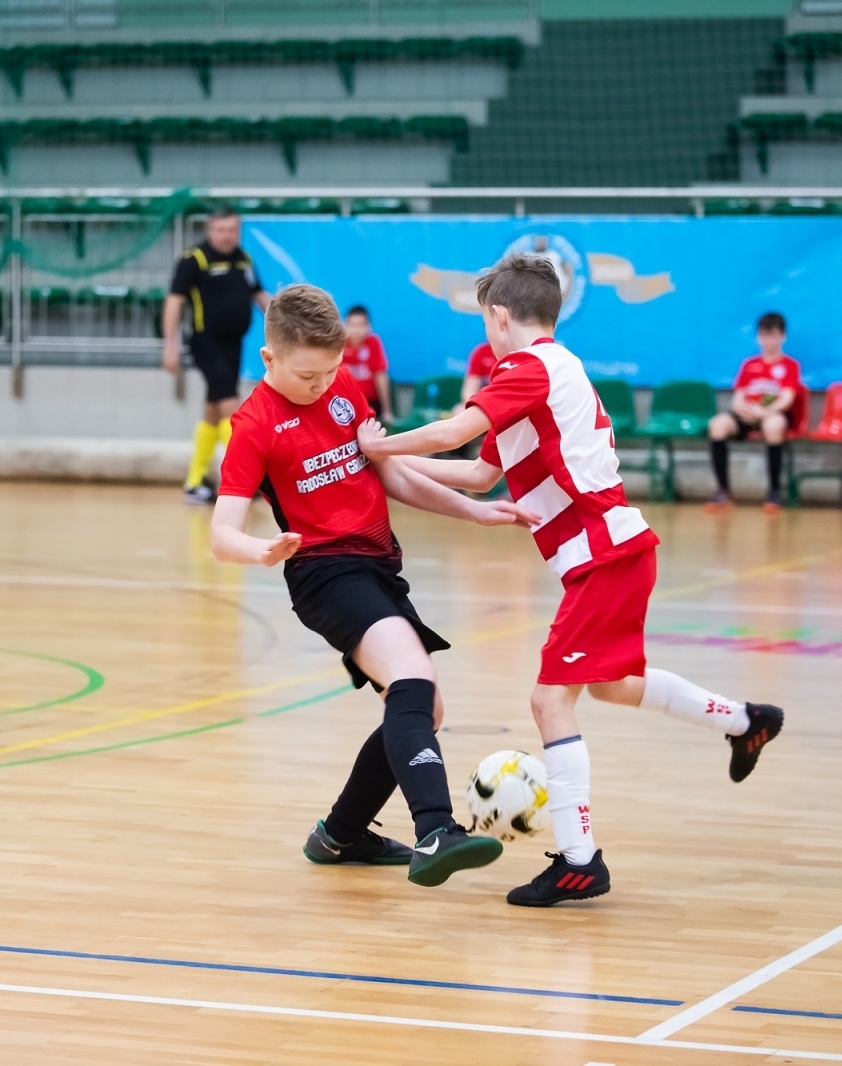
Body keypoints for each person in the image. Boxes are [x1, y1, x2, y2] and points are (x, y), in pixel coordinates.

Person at [357, 253, 784, 907]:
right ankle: (745, 721)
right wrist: (382, 474)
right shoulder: (553, 374)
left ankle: (580, 861)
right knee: (612, 686)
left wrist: (377, 447)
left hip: (602, 558)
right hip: (615, 554)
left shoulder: (526, 370)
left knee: (549, 701)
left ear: (499, 319)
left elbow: (454, 433)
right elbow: (477, 473)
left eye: (484, 324)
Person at [211, 283, 532, 887]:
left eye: (331, 371)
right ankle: (435, 830)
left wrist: (475, 509)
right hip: (323, 572)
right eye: (308, 375)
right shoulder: (253, 426)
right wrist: (263, 550)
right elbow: (221, 533)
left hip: (376, 565)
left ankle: (341, 834)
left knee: (422, 708)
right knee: (413, 681)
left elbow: (388, 474)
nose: (322, 384)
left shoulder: (339, 388)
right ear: (269, 358)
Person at [162, 207, 272, 505]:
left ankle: (194, 483)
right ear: (210, 230)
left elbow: (259, 294)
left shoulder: (243, 259)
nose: (227, 236)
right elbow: (174, 302)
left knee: (213, 410)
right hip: (206, 344)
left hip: (233, 344)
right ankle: (244, 482)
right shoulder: (193, 260)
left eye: (233, 230)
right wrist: (169, 345)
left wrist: (283, 320)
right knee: (231, 408)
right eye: (221, 230)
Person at [705, 312, 803, 515]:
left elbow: (787, 399)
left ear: (782, 336)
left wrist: (763, 412)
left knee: (773, 426)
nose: (768, 340)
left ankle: (774, 492)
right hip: (748, 415)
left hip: (772, 414)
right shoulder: (750, 365)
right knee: (718, 424)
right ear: (758, 337)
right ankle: (723, 490)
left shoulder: (790, 365)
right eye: (764, 335)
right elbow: (738, 396)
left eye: (773, 335)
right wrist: (742, 408)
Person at [341, 305, 393, 422]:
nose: (356, 330)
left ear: (368, 326)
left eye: (361, 325)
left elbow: (380, 376)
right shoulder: (338, 344)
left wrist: (387, 411)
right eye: (352, 325)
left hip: (370, 404)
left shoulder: (373, 343)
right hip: (344, 403)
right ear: (345, 325)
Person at [460, 340, 497, 407]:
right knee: (459, 410)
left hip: (509, 406)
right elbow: (469, 391)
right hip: (484, 404)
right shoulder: (481, 352)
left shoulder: (518, 354)